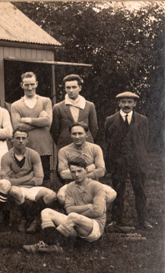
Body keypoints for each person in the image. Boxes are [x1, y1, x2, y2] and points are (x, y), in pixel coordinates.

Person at [23, 158, 107, 254]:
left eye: (79, 171)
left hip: (94, 227)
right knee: (46, 212)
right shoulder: (70, 187)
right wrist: (88, 206)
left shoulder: (96, 186)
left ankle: (46, 244)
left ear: (86, 170)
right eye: (73, 172)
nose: (76, 175)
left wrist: (78, 214)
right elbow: (69, 210)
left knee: (73, 217)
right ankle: (53, 245)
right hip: (74, 224)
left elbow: (98, 211)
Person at [105, 92, 153, 230]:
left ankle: (143, 220)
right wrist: (111, 161)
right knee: (118, 191)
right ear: (119, 103)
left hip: (137, 161)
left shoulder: (142, 120)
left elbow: (145, 140)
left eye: (130, 102)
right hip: (118, 162)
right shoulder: (110, 120)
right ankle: (116, 220)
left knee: (140, 191)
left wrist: (140, 156)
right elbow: (108, 142)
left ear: (135, 104)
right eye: (123, 102)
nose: (126, 105)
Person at [1, 128, 57, 233]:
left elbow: (39, 180)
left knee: (51, 195)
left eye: (23, 138)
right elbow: (7, 182)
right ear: (12, 139)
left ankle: (36, 219)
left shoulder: (34, 154)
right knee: (15, 192)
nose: (20, 141)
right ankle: (26, 218)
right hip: (16, 189)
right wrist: (29, 177)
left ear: (27, 140)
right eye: (17, 138)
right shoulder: (6, 157)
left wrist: (17, 179)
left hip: (32, 188)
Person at [57, 122, 115, 205]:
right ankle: (73, 212)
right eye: (74, 134)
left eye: (80, 133)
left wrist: (77, 174)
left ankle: (96, 211)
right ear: (70, 135)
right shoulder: (63, 151)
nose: (77, 137)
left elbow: (101, 171)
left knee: (111, 194)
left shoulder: (95, 148)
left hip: (93, 183)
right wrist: (88, 169)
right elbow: (63, 174)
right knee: (61, 196)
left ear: (86, 134)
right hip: (72, 185)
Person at [11, 72, 53, 180]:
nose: (30, 88)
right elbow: (18, 127)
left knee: (44, 179)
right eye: (26, 85)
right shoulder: (16, 105)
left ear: (36, 84)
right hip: (25, 147)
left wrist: (28, 120)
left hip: (43, 147)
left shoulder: (45, 101)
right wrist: (39, 120)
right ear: (22, 85)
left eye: (32, 84)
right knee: (26, 179)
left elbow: (48, 121)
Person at [51, 74, 98, 150]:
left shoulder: (89, 106)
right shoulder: (58, 107)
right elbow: (55, 131)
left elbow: (94, 128)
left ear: (80, 88)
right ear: (65, 89)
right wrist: (63, 140)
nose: (71, 90)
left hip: (86, 145)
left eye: (74, 87)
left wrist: (86, 138)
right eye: (68, 88)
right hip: (65, 145)